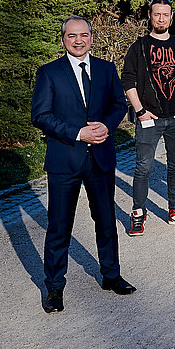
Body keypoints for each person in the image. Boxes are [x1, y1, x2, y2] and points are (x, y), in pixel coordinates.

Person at [31, 16, 134, 313]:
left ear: (92, 37)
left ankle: (111, 275)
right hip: (65, 159)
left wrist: (107, 127)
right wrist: (78, 133)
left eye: (84, 35)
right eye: (72, 36)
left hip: (101, 158)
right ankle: (54, 287)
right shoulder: (49, 73)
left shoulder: (105, 69)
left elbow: (119, 104)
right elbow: (41, 115)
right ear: (63, 39)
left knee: (105, 220)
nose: (79, 40)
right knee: (59, 227)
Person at [120, 0, 175, 236]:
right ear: (150, 16)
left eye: (165, 15)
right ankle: (138, 213)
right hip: (149, 119)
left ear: (171, 17)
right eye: (157, 14)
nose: (161, 19)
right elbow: (128, 80)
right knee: (143, 167)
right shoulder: (140, 46)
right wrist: (140, 111)